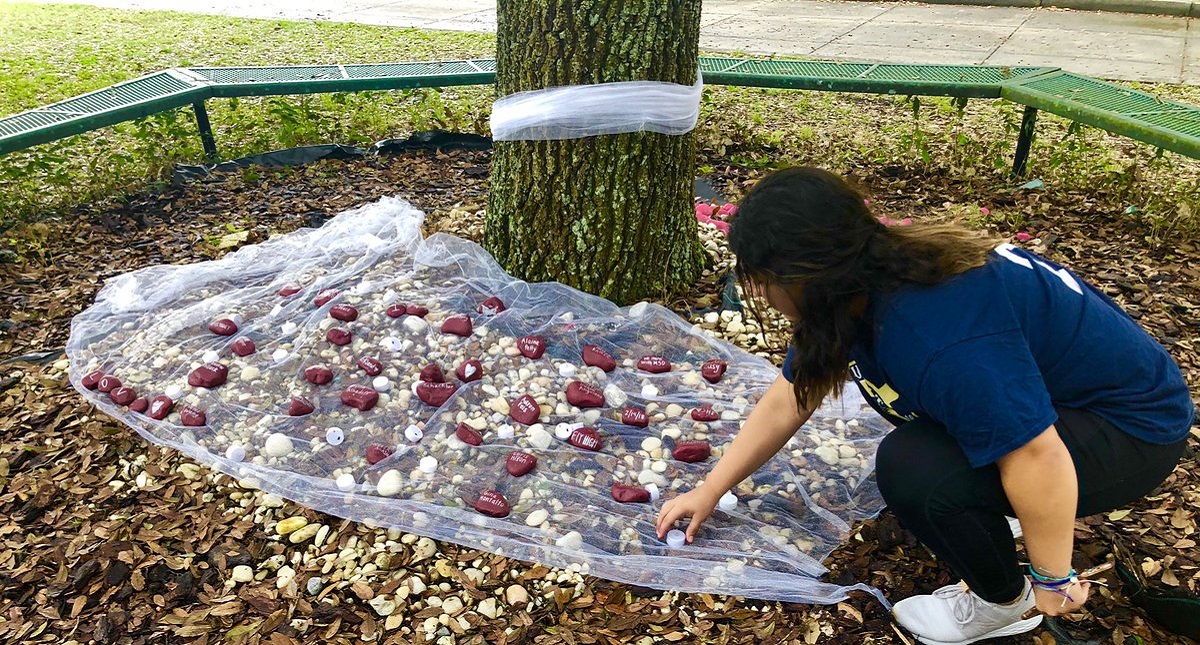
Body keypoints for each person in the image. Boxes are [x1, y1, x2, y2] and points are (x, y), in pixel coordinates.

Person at [655, 167, 1192, 645]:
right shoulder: (864, 276)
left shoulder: (932, 333)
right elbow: (791, 394)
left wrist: (1051, 576)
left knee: (915, 469)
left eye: (763, 279)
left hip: (1131, 433)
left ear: (803, 274)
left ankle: (1004, 604)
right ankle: (1000, 518)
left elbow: (1034, 454)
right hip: (1070, 403)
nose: (760, 292)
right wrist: (711, 487)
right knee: (950, 438)